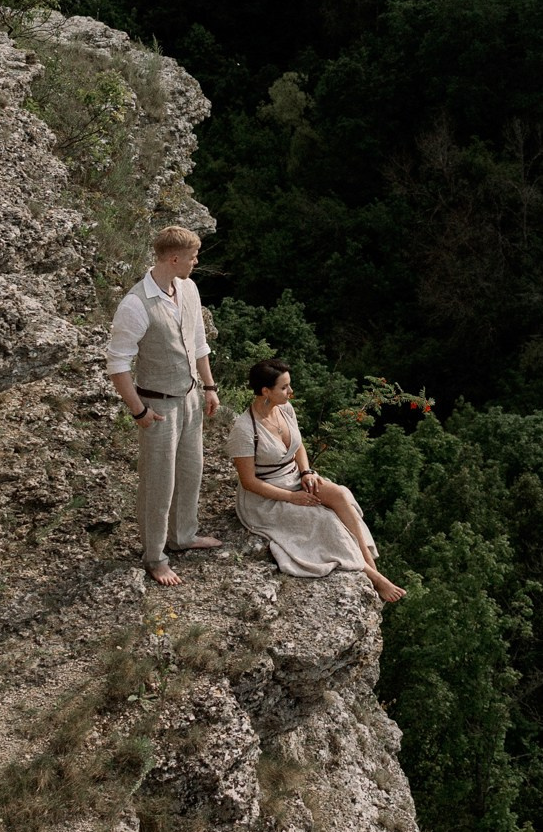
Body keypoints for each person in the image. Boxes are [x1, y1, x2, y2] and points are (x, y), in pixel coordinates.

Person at [227, 359, 405, 603]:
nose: (291, 392)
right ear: (265, 391)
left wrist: (306, 472)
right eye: (284, 387)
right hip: (266, 495)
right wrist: (292, 497)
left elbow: (298, 447)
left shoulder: (285, 409)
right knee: (324, 518)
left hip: (294, 477)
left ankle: (369, 561)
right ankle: (374, 577)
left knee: (341, 495)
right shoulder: (245, 429)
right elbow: (249, 482)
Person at [104, 225, 222, 587]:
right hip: (157, 406)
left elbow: (198, 342)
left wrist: (210, 387)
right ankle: (155, 556)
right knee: (158, 484)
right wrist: (139, 410)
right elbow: (117, 364)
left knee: (191, 471)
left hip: (189, 398)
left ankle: (183, 535)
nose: (196, 261)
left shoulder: (188, 288)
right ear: (174, 258)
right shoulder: (136, 304)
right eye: (192, 256)